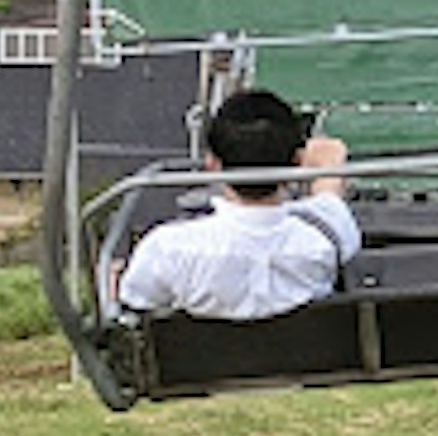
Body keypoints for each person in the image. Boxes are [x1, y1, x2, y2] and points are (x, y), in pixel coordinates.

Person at [113, 87, 357, 320]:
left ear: (213, 165)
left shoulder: (168, 248)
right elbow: (329, 193)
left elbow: (136, 302)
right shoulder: (326, 235)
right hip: (307, 360)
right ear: (297, 162)